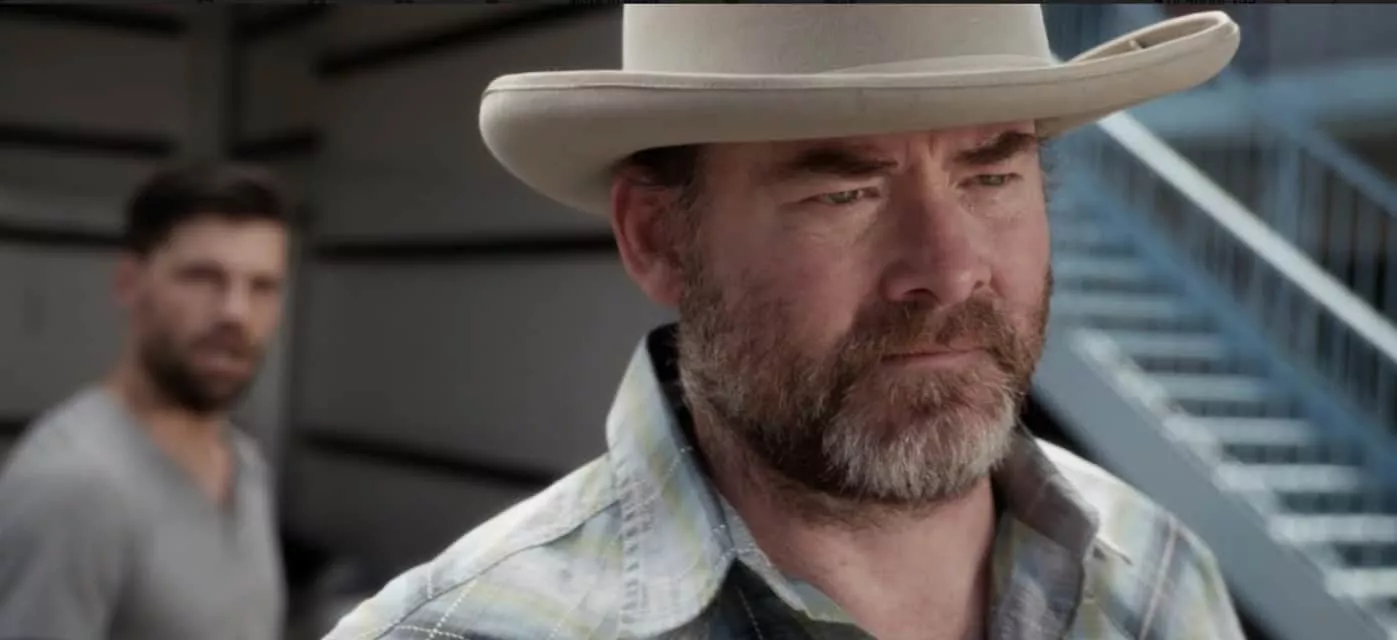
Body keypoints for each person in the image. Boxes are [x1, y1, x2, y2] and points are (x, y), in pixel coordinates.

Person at [327, 5, 1244, 639]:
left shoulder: (1162, 578)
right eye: (844, 192)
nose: (947, 269)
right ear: (657, 238)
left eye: (992, 175)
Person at [0, 162, 293, 640]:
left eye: (262, 286)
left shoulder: (245, 464)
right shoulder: (72, 487)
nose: (236, 312)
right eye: (203, 277)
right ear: (129, 283)